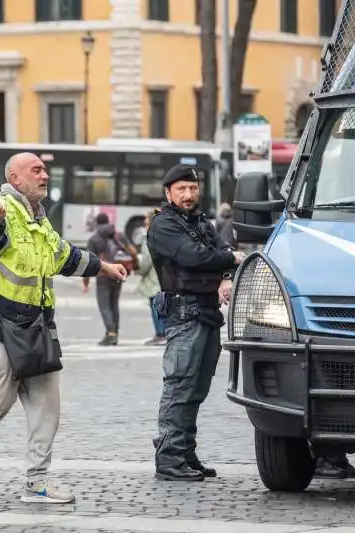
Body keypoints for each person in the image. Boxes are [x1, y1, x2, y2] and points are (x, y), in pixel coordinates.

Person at [0, 152, 127, 504]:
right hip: (0, 323)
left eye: (45, 170)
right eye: (36, 170)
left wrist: (105, 268)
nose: (45, 175)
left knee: (46, 405)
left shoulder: (41, 221)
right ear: (15, 177)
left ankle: (36, 482)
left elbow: (65, 256)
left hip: (38, 326)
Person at [148, 164, 245, 481]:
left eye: (192, 188)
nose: (188, 195)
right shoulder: (163, 226)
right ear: (168, 193)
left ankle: (185, 454)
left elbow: (218, 251)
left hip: (206, 312)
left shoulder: (201, 223)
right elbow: (196, 257)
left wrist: (225, 268)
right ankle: (169, 456)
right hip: (184, 314)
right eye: (181, 189)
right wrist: (229, 260)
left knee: (196, 389)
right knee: (179, 387)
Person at [83, 212, 135, 345]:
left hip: (103, 275)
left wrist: (86, 282)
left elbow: (88, 262)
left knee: (104, 306)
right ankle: (114, 333)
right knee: (114, 305)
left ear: (97, 223)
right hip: (119, 272)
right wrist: (135, 266)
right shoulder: (119, 235)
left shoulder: (94, 239)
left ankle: (111, 333)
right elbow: (132, 251)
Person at [135, 209, 165, 345]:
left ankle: (160, 334)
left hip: (153, 278)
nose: (145, 224)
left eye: (146, 222)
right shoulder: (165, 234)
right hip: (164, 276)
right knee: (163, 305)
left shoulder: (149, 237)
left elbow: (146, 260)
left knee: (155, 306)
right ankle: (163, 333)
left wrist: (138, 269)